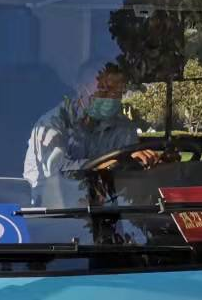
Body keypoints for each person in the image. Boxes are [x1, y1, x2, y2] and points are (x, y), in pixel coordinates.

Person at [23, 60, 161, 207]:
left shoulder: (123, 128)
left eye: (116, 92)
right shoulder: (51, 124)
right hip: (51, 210)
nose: (110, 96)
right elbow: (56, 175)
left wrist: (138, 163)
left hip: (104, 208)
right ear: (79, 88)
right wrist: (110, 164)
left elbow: (127, 183)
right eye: (102, 88)